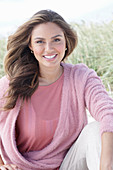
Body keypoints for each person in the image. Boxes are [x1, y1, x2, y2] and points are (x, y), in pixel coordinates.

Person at [0, 9, 113, 170]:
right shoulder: (10, 85)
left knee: (96, 130)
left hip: (69, 165)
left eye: (56, 40)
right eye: (40, 41)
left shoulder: (81, 77)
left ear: (66, 42)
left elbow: (108, 113)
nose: (49, 48)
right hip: (24, 168)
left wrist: (106, 166)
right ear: (30, 45)